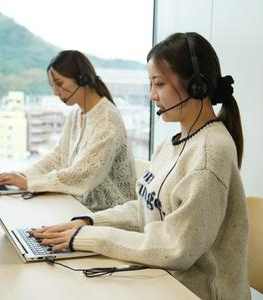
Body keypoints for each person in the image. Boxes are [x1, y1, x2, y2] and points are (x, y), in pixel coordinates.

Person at [31, 33, 251, 299]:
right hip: (161, 279)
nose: (152, 96)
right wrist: (89, 221)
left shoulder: (209, 154)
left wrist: (91, 237)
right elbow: (147, 209)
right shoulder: (174, 143)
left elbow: (174, 247)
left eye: (159, 84)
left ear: (197, 86)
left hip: (192, 291)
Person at [0, 50, 137, 212]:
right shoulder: (76, 114)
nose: (55, 91)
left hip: (107, 214)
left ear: (82, 79)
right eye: (52, 85)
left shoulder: (107, 120)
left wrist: (27, 183)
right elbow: (57, 158)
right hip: (78, 206)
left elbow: (82, 175)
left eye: (59, 83)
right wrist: (18, 176)